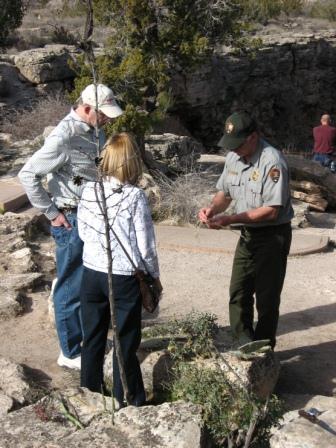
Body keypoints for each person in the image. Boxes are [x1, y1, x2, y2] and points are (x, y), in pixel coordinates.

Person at [18, 84, 123, 370]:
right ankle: (70, 352)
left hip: (89, 216)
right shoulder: (63, 136)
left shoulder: (91, 130)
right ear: (87, 108)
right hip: (71, 219)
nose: (108, 120)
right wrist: (52, 214)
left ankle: (83, 339)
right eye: (104, 114)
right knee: (70, 286)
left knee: (86, 282)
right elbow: (27, 175)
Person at [77, 133, 161, 406]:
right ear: (131, 161)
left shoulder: (89, 190)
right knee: (124, 341)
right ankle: (128, 397)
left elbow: (83, 232)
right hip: (124, 276)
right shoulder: (135, 197)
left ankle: (88, 393)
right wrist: (154, 277)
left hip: (91, 272)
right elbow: (146, 245)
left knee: (92, 337)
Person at [198, 111, 293, 348]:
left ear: (253, 137)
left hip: (273, 236)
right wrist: (212, 209)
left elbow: (271, 210)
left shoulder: (272, 161)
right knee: (238, 291)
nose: (234, 149)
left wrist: (230, 219)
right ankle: (242, 343)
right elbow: (225, 193)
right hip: (247, 234)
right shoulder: (233, 157)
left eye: (238, 144)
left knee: (267, 298)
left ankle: (263, 351)